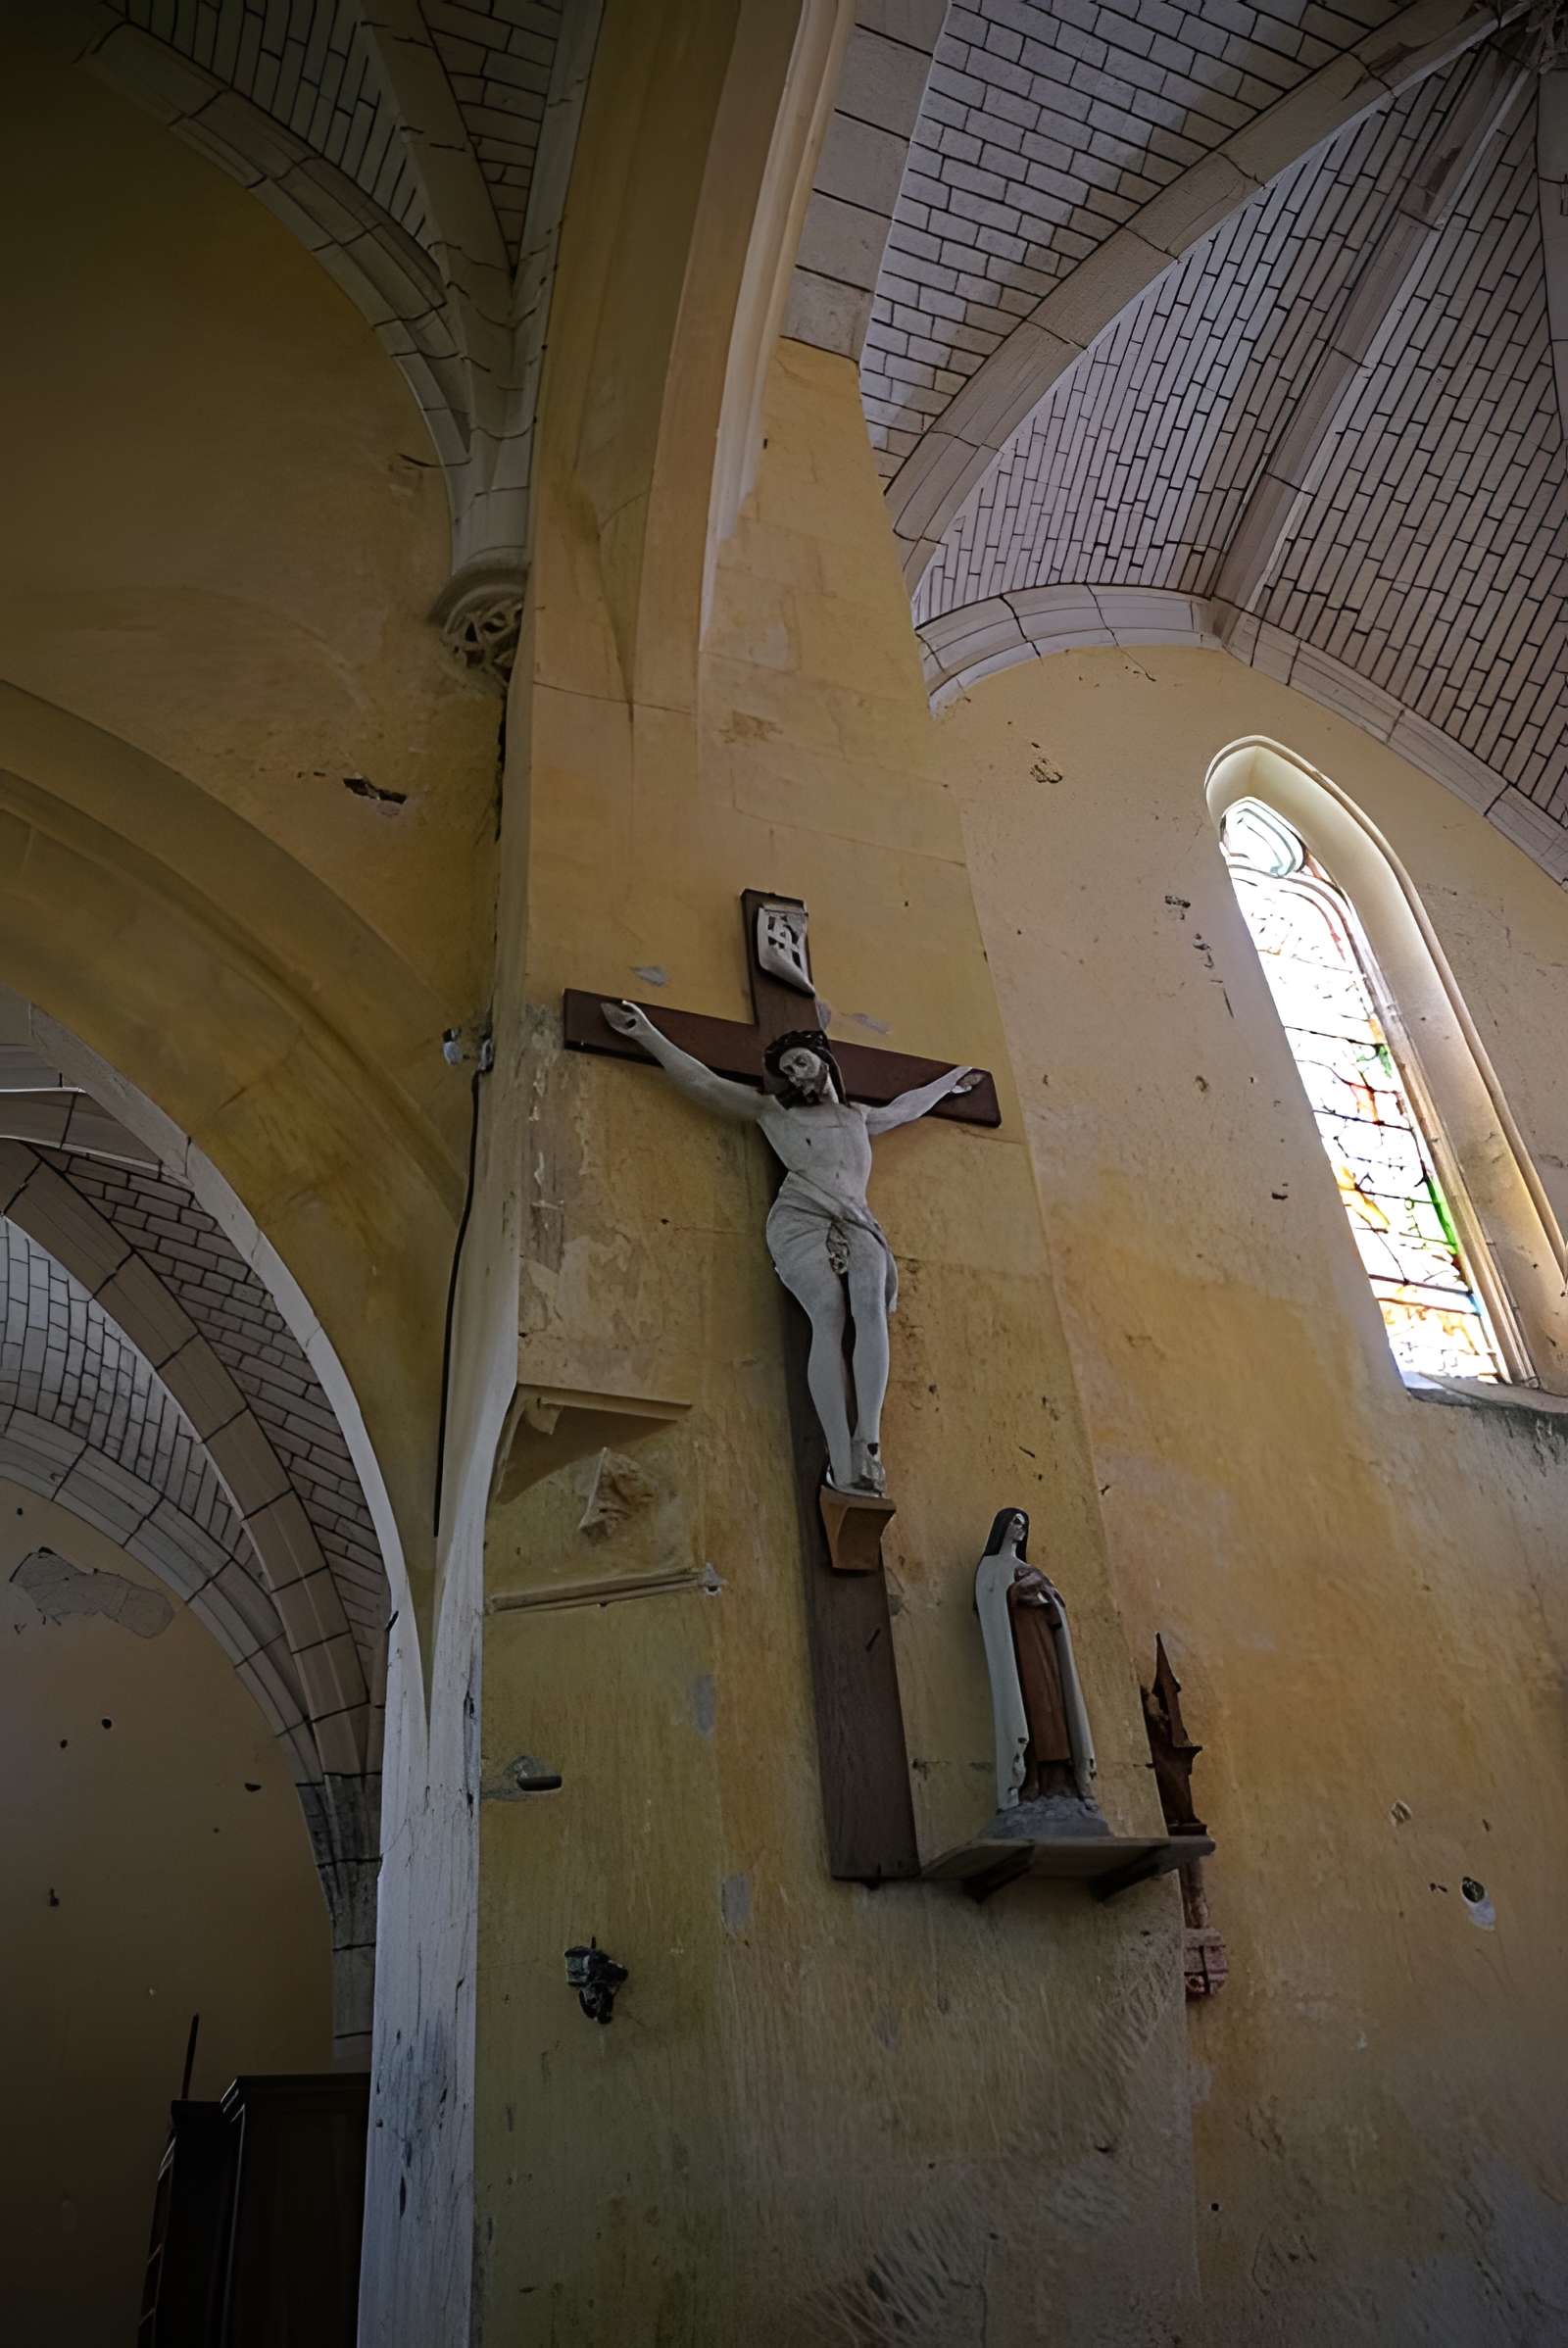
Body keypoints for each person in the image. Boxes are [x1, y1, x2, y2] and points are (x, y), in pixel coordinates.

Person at [601, 1003, 977, 1494]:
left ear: (824, 1059)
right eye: (785, 1069)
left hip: (857, 1218)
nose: (794, 1073)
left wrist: (948, 1084)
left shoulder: (858, 1116)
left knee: (870, 1304)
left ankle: (869, 1439)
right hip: (800, 1217)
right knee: (828, 1311)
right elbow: (704, 1084)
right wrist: (646, 1033)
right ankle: (840, 1457)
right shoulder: (771, 1111)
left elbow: (907, 1106)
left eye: (799, 1061)